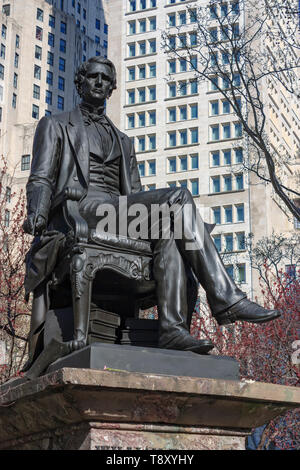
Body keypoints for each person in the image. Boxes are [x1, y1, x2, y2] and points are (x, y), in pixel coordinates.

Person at [23, 56, 280, 364]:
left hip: (118, 213)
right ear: (81, 81)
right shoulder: (55, 125)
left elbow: (135, 194)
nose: (100, 82)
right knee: (179, 197)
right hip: (82, 206)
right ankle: (226, 298)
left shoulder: (124, 141)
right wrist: (36, 215)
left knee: (170, 231)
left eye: (106, 79)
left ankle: (171, 329)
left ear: (112, 88)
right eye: (93, 76)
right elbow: (40, 177)